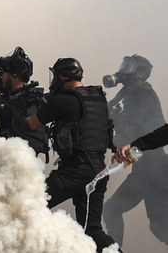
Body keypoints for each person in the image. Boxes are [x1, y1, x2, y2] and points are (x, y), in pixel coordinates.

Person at [25, 57, 117, 252]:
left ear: (62, 76)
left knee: (29, 207)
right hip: (98, 172)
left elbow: (32, 124)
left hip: (74, 173)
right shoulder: (98, 98)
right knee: (92, 231)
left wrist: (11, 112)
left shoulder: (64, 99)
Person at [103, 55, 168, 248]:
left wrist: (116, 136)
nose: (124, 71)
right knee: (113, 210)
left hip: (154, 171)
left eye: (128, 67)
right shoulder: (128, 94)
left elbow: (130, 136)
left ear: (140, 74)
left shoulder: (142, 96)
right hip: (144, 169)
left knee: (160, 227)